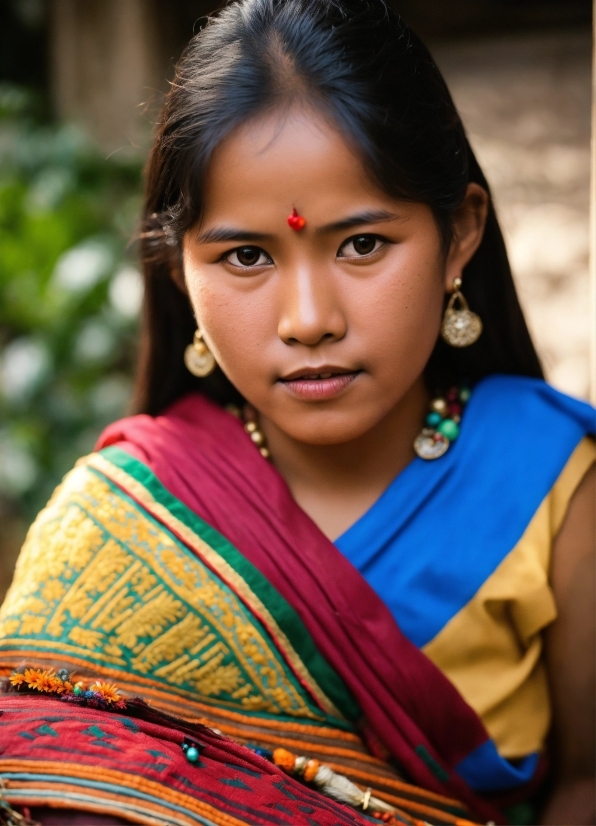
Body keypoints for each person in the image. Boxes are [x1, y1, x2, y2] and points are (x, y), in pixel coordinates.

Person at [0, 1, 593, 824]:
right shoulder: (119, 525)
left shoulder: (551, 482)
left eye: (361, 245)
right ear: (180, 271)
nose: (309, 318)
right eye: (246, 256)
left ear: (459, 234)